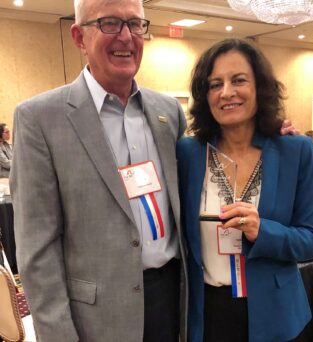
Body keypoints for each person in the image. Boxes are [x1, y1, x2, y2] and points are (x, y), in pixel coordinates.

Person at [10, 0, 188, 341]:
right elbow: (37, 250)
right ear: (79, 37)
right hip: (97, 317)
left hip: (172, 299)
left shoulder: (168, 112)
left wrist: (268, 136)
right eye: (109, 23)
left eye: (136, 24)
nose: (126, 37)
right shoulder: (40, 119)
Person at [176, 38, 313, 342]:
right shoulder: (187, 153)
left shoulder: (295, 151)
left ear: (260, 87)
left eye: (239, 80)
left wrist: (264, 232)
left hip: (277, 313)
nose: (227, 92)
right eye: (215, 84)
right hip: (208, 313)